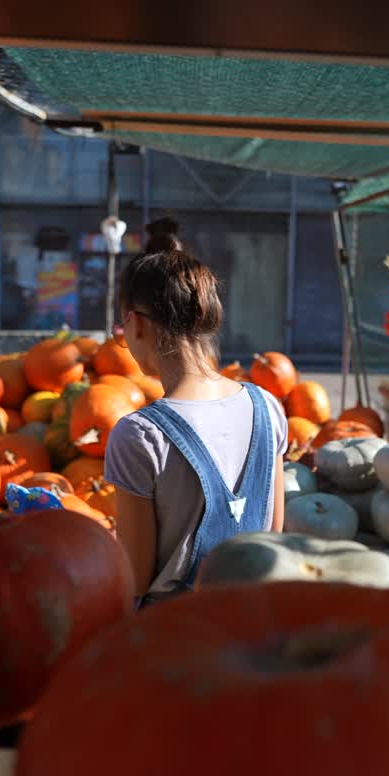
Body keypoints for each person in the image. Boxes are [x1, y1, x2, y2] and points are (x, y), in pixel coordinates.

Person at [104, 249, 288, 606]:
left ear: (136, 324)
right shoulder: (267, 406)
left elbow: (135, 578)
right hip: (254, 627)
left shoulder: (139, 435)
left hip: (176, 640)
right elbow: (273, 535)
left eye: (122, 330)